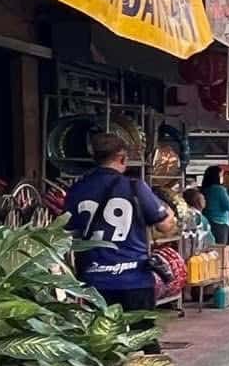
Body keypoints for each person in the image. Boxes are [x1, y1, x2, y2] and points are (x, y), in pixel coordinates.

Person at [64, 133, 178, 316]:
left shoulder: (77, 190)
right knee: (141, 338)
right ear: (122, 157)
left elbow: (69, 233)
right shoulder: (135, 187)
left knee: (103, 340)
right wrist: (170, 213)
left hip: (94, 282)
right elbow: (164, 226)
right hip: (135, 280)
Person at [201, 164, 229, 252]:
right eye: (221, 175)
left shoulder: (204, 189)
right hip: (220, 223)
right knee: (219, 250)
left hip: (207, 221)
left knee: (209, 249)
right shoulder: (220, 189)